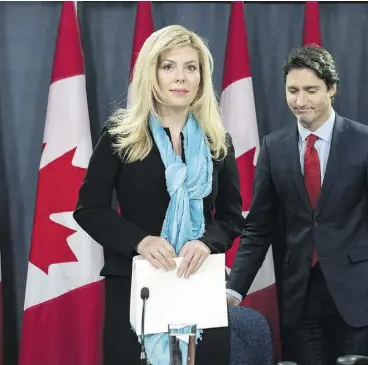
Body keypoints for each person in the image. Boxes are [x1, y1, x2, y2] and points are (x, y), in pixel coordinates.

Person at [225, 45, 368, 365]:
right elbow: (258, 228)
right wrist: (233, 291)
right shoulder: (273, 147)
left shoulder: (365, 141)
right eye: (292, 90)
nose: (300, 101)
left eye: (310, 90)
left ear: (332, 89)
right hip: (299, 298)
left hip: (358, 297)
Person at [74, 25, 243, 365]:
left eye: (190, 67)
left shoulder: (217, 141)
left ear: (201, 77)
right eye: (169, 66)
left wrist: (207, 242)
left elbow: (231, 217)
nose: (181, 77)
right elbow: (89, 209)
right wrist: (141, 241)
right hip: (137, 285)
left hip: (199, 282)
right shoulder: (121, 135)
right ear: (152, 73)